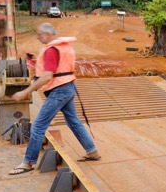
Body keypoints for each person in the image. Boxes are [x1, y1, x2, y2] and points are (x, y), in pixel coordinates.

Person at [9, 23, 100, 175]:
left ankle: (28, 162)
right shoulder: (64, 47)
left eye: (39, 34)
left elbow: (47, 75)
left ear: (47, 35)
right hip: (68, 87)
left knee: (38, 125)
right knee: (73, 120)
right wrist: (37, 61)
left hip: (59, 90)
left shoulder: (51, 50)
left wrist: (26, 91)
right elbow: (57, 67)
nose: (38, 37)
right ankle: (92, 152)